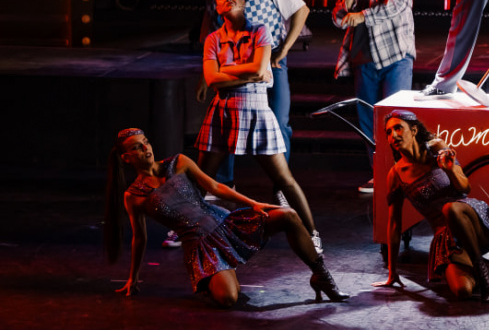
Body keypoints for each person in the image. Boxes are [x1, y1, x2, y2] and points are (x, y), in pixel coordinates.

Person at [104, 128, 346, 307]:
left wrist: (253, 203)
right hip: (201, 247)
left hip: (226, 224)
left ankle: (321, 276)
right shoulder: (134, 196)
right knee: (228, 299)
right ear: (126, 158)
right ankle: (215, 279)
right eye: (137, 147)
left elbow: (215, 186)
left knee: (289, 215)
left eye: (146, 142)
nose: (145, 148)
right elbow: (139, 238)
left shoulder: (178, 162)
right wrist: (133, 278)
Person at [187, 0, 309, 241]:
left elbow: (301, 10)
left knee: (279, 122)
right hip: (233, 67)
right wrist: (206, 77)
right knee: (223, 126)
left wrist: (282, 51)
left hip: (270, 60)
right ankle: (222, 187)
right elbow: (209, 32)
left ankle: (282, 189)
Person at [199, 0, 323, 256]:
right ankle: (184, 225)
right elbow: (212, 79)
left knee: (284, 179)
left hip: (256, 109)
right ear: (217, 8)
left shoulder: (259, 31)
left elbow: (258, 70)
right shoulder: (213, 39)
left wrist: (227, 70)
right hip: (223, 110)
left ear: (243, 3)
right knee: (202, 178)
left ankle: (311, 232)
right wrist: (245, 74)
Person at [372, 110, 489, 301]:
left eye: (398, 128)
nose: (393, 136)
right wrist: (392, 272)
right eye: (388, 132)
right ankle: (473, 267)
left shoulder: (437, 148)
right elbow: (394, 224)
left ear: (414, 130)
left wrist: (450, 171)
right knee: (462, 291)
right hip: (447, 238)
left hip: (470, 218)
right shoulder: (396, 175)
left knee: (450, 208)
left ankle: (480, 269)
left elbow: (465, 187)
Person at [332, 0, 416, 194]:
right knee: (368, 121)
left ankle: (404, 173)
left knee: (397, 118)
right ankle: (380, 174)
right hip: (363, 59)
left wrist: (362, 15)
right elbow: (338, 19)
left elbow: (397, 4)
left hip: (395, 56)